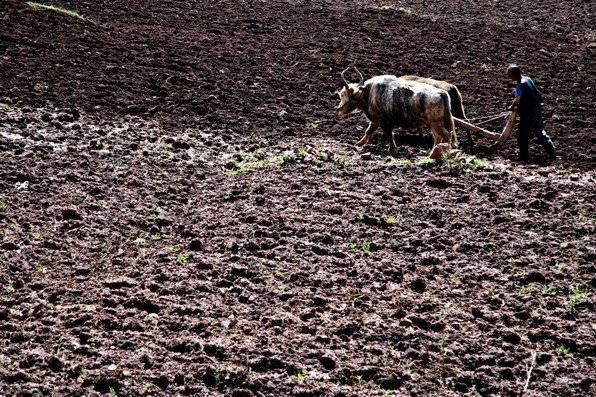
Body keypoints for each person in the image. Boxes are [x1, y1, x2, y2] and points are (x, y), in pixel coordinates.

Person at [507, 64, 556, 161]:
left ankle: (523, 156)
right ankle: (552, 152)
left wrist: (511, 107)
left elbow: (517, 100)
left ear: (514, 74)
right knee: (540, 131)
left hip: (527, 112)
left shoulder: (520, 84)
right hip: (536, 109)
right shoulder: (528, 79)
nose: (509, 77)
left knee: (522, 133)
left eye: (510, 75)